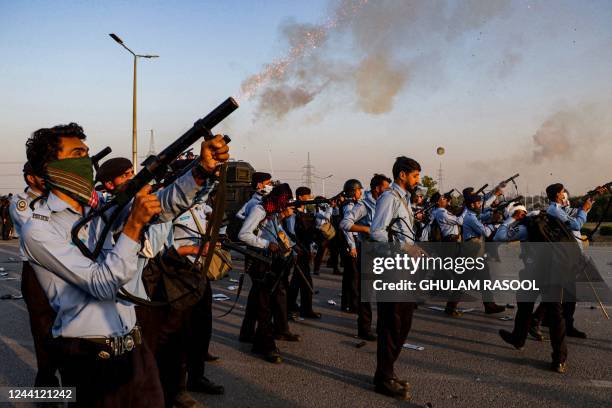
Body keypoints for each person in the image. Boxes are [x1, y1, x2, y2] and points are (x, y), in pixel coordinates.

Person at [21, 123, 229, 407]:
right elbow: (102, 284)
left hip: (135, 350)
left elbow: (161, 205)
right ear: (51, 166)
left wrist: (200, 171)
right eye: (77, 153)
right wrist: (133, 227)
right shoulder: (39, 228)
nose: (86, 160)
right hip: (91, 361)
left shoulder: (100, 208)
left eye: (86, 152)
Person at [495, 203, 570, 373]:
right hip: (555, 273)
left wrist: (511, 219)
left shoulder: (528, 226)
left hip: (533, 272)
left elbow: (499, 236)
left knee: (524, 306)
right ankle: (559, 360)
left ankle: (518, 338)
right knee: (556, 315)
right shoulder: (554, 224)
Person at [369, 156, 422, 400]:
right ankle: (384, 377)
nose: (417, 180)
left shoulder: (404, 199)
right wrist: (405, 248)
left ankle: (385, 372)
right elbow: (377, 232)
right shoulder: (389, 198)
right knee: (392, 323)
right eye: (415, 176)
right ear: (402, 175)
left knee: (404, 321)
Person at [9, 162, 59, 387]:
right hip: (37, 269)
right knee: (43, 331)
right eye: (44, 174)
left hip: (64, 267)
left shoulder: (56, 198)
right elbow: (36, 230)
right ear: (30, 178)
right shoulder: (21, 201)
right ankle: (47, 387)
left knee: (70, 329)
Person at [238, 183, 299, 363]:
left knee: (261, 301)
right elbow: (243, 234)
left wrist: (291, 249)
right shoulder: (259, 210)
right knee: (265, 305)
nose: (285, 205)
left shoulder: (271, 212)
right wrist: (265, 244)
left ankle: (253, 338)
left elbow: (277, 233)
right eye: (284, 201)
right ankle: (266, 345)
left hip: (270, 261)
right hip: (259, 261)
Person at [529, 183, 593, 339]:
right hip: (563, 257)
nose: (565, 193)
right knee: (558, 293)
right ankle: (536, 320)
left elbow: (576, 213)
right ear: (558, 194)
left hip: (569, 255)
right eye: (563, 191)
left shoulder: (560, 208)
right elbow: (576, 224)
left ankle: (567, 325)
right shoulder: (555, 210)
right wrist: (584, 209)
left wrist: (591, 199)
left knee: (569, 294)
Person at [340, 174, 390, 341]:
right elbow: (345, 224)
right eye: (386, 187)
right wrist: (366, 229)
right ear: (377, 189)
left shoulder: (386, 204)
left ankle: (383, 326)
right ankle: (365, 329)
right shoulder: (363, 205)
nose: (388, 190)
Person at [455, 192, 506, 315]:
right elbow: (485, 232)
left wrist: (491, 214)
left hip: (476, 251)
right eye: (478, 203)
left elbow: (482, 218)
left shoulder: (472, 215)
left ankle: (489, 305)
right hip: (472, 252)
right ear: (472, 204)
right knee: (465, 281)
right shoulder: (470, 217)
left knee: (485, 279)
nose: (479, 205)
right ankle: (450, 306)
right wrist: (496, 225)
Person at [286, 186, 321, 319]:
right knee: (306, 282)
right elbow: (290, 233)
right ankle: (305, 309)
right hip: (299, 251)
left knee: (297, 282)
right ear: (301, 197)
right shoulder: (293, 213)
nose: (309, 197)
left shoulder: (304, 211)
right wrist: (295, 251)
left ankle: (291, 307)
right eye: (307, 195)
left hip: (305, 249)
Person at [339, 179, 363, 313]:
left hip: (350, 243)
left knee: (349, 276)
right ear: (353, 191)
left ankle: (346, 303)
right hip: (351, 243)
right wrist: (352, 246)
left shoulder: (351, 204)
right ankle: (353, 305)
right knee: (354, 277)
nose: (361, 192)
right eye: (359, 190)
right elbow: (346, 228)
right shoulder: (349, 206)